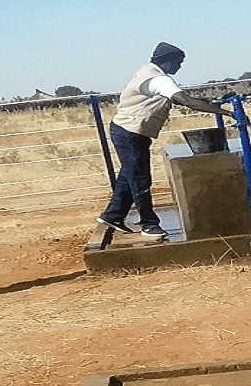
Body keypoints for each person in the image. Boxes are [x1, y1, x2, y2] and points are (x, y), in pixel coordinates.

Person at [98, 42, 234, 240]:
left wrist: (212, 101)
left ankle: (113, 215)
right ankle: (149, 224)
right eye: (178, 62)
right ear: (166, 60)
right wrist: (228, 113)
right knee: (140, 178)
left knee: (129, 174)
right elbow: (186, 101)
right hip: (130, 131)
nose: (179, 67)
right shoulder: (158, 79)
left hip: (127, 129)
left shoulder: (148, 72)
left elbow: (182, 98)